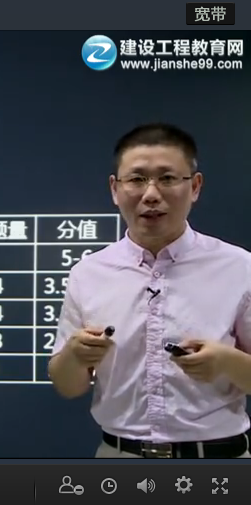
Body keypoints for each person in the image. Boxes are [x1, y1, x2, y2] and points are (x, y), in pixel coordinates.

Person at [48, 123, 251, 458]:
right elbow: (68, 385)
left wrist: (227, 362)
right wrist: (74, 355)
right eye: (137, 179)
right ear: (115, 189)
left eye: (167, 178)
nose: (151, 194)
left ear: (195, 186)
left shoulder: (239, 266)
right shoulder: (88, 273)